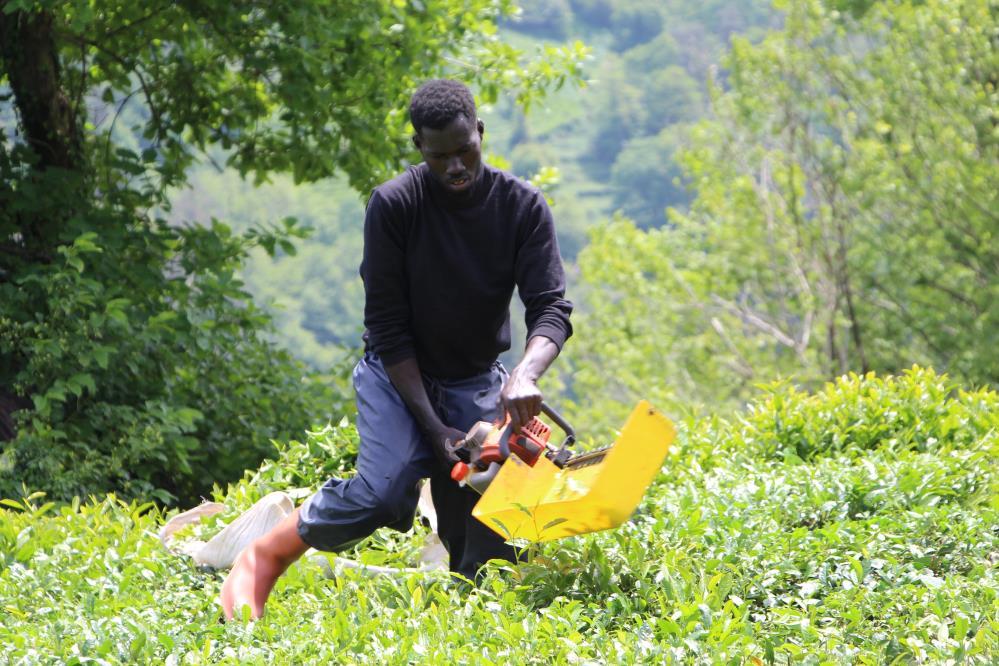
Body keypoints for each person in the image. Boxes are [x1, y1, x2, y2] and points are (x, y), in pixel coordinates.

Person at [219, 79, 573, 620]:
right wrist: (434, 428)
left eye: (466, 150)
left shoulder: (520, 207)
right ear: (419, 149)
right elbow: (387, 328)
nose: (456, 166)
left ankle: (475, 606)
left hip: (476, 375)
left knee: (493, 512)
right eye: (441, 157)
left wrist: (524, 373)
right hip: (396, 373)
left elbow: (550, 308)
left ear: (480, 133)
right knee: (384, 492)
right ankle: (263, 556)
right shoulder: (395, 205)